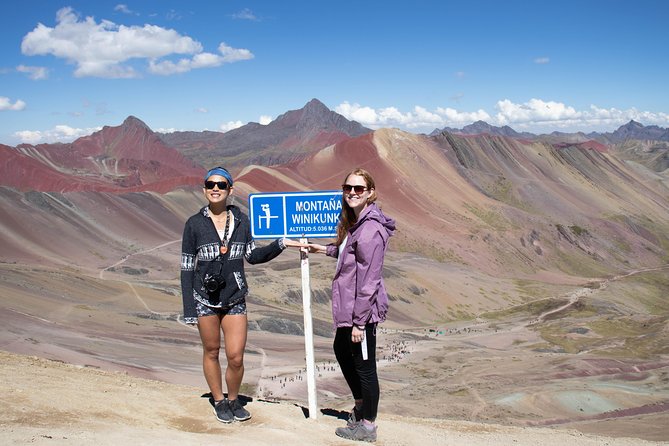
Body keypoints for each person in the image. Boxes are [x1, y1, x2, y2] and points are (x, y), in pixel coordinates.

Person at [180, 166, 305, 423]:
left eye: (221, 185)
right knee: (211, 351)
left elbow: (252, 256)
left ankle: (234, 400)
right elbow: (186, 268)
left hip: (235, 296)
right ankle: (218, 401)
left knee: (236, 356)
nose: (215, 188)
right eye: (210, 184)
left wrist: (280, 243)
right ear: (204, 189)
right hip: (204, 298)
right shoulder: (194, 224)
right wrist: (189, 308)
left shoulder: (241, 220)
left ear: (230, 190)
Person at [308, 168, 395, 442]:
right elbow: (348, 250)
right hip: (350, 307)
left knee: (365, 366)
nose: (352, 193)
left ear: (370, 192)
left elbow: (369, 280)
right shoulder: (357, 223)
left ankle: (367, 425)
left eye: (359, 188)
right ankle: (360, 407)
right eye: (348, 188)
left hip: (362, 313)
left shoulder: (370, 229)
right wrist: (321, 248)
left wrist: (359, 322)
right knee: (341, 349)